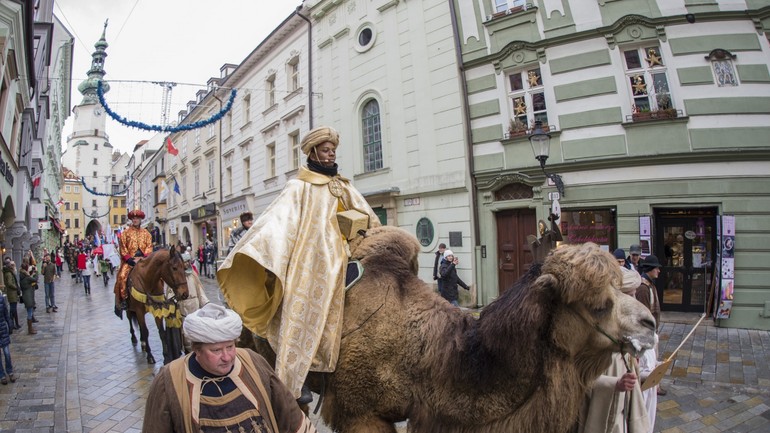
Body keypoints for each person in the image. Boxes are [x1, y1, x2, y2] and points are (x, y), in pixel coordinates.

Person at [218, 125, 381, 403]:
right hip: (312, 257)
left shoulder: (343, 185)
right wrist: (258, 250)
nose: (331, 155)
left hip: (348, 251)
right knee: (302, 299)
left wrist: (373, 235)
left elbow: (368, 216)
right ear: (313, 151)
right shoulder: (298, 186)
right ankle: (296, 377)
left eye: (333, 151)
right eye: (326, 151)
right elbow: (278, 221)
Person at [142, 303, 318, 433]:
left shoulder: (253, 362)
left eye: (230, 347)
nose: (227, 357)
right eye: (216, 350)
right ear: (196, 350)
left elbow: (289, 414)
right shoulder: (169, 381)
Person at [574, 267, 650, 433]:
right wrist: (614, 384)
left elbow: (632, 383)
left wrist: (646, 375)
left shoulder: (624, 343)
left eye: (635, 295)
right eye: (630, 296)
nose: (635, 300)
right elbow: (577, 380)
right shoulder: (592, 340)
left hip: (620, 420)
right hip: (597, 419)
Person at [636, 254, 666, 399]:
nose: (659, 271)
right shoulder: (643, 288)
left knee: (654, 359)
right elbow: (644, 313)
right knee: (649, 361)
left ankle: (655, 385)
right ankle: (651, 386)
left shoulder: (650, 283)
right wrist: (650, 333)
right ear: (650, 269)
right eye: (656, 268)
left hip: (652, 330)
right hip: (647, 332)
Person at [114, 208, 154, 317]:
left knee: (157, 274)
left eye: (137, 218)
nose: (135, 220)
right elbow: (122, 248)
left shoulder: (146, 233)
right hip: (130, 260)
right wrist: (129, 259)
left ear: (141, 219)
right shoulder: (125, 233)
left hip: (143, 260)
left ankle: (157, 297)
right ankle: (123, 300)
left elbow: (149, 246)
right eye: (134, 218)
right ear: (131, 220)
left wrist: (144, 257)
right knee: (122, 276)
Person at [177, 246, 210, 353]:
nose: (186, 264)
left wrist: (205, 303)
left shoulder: (193, 275)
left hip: (195, 305)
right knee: (186, 332)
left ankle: (197, 350)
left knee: (196, 329)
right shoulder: (177, 276)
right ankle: (188, 351)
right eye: (184, 262)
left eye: (188, 262)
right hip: (184, 306)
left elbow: (199, 290)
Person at [0, 290, 16, 384]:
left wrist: (10, 324)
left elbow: (6, 312)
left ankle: (10, 372)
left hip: (3, 329)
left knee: (7, 353)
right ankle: (2, 375)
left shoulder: (1, 298)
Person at [19, 258, 38, 335]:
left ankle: (30, 328)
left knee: (29, 312)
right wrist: (35, 272)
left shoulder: (22, 277)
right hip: (28, 297)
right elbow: (35, 279)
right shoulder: (26, 278)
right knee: (29, 313)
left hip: (26, 296)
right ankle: (30, 329)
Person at [2, 259, 21, 330]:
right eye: (10, 264)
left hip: (12, 293)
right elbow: (10, 283)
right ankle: (11, 324)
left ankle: (14, 324)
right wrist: (16, 287)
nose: (11, 265)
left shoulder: (9, 272)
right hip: (12, 293)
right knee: (13, 309)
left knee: (13, 309)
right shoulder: (9, 273)